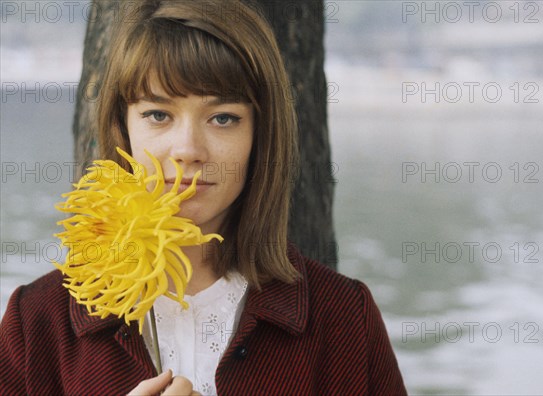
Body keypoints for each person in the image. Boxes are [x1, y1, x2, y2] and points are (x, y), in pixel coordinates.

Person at [0, 0, 407, 394]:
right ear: (122, 129)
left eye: (223, 118)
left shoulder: (343, 318)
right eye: (158, 115)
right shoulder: (38, 323)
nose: (188, 149)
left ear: (260, 136)